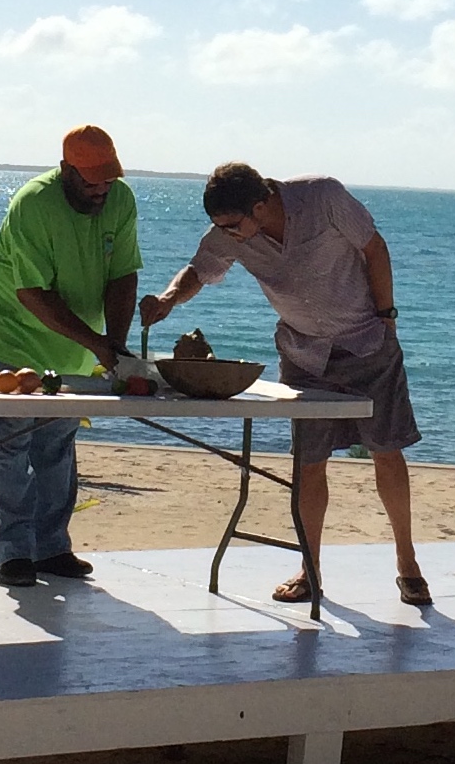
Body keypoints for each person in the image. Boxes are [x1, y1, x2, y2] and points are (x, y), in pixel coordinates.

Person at [139, 162, 431, 606]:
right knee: (308, 463)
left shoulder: (323, 197)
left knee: (386, 452)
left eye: (233, 225)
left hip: (368, 343)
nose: (228, 235)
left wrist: (387, 318)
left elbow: (374, 247)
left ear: (261, 205)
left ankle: (408, 565)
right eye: (220, 227)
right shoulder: (229, 231)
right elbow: (199, 269)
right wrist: (167, 299)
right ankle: (309, 570)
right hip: (303, 354)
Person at [0, 125, 141, 588]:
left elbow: (123, 276)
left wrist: (114, 343)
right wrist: (97, 343)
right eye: (92, 181)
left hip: (71, 346)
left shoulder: (120, 200)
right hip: (6, 334)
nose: (101, 190)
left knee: (56, 445)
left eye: (108, 179)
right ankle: (14, 553)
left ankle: (52, 548)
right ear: (66, 170)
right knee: (10, 443)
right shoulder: (34, 204)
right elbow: (32, 292)